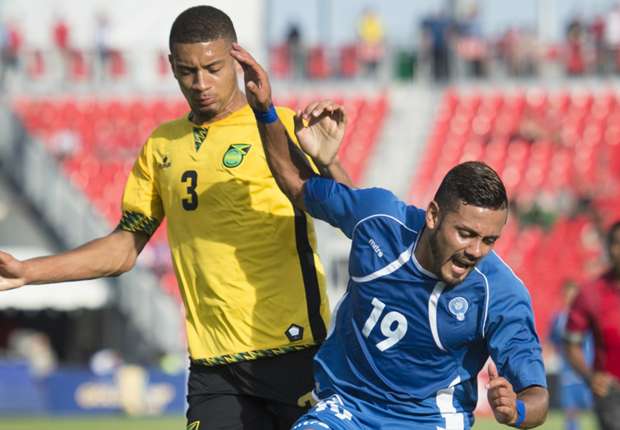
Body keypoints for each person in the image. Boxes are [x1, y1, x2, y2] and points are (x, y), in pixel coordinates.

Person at [0, 6, 352, 430]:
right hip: (213, 367)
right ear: (171, 67)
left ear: (238, 61)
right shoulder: (163, 145)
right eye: (188, 71)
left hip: (294, 352)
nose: (201, 83)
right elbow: (123, 247)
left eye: (213, 68)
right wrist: (27, 272)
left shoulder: (280, 126)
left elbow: (354, 216)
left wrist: (329, 164)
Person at [231, 43, 549, 429]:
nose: (475, 251)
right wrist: (265, 109)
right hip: (348, 407)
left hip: (429, 420)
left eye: (489, 240)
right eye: (465, 233)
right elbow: (297, 186)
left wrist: (515, 410)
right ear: (433, 215)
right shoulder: (381, 221)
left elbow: (537, 396)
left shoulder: (500, 293)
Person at [565, 221, 620, 430]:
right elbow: (571, 344)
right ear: (608, 248)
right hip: (612, 394)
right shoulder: (590, 293)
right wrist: (590, 376)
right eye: (616, 243)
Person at [549, 281, 593, 430]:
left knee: (597, 409)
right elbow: (552, 340)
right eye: (568, 295)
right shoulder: (558, 319)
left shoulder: (588, 317)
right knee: (571, 411)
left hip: (588, 370)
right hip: (567, 371)